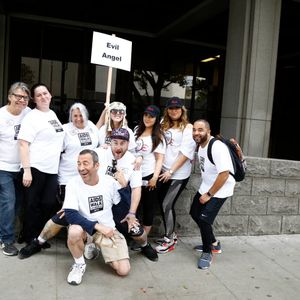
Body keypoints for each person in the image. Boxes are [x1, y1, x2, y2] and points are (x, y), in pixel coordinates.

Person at [18, 102, 99, 258]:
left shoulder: (92, 127)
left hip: (87, 178)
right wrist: (30, 166)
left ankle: (78, 240)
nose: (78, 118)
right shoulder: (65, 129)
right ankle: (40, 240)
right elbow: (51, 146)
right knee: (67, 211)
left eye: (81, 114)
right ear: (70, 117)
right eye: (74, 115)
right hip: (67, 178)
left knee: (83, 210)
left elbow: (101, 144)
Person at [63, 149, 130, 285]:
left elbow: (121, 210)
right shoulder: (72, 183)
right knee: (74, 231)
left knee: (123, 270)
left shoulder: (109, 182)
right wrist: (97, 226)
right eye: (79, 164)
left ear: (96, 165)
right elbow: (70, 214)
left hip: (107, 230)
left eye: (85, 163)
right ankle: (79, 265)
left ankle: (95, 246)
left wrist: (124, 187)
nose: (81, 168)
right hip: (85, 230)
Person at [18, 83, 65, 245]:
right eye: (39, 95)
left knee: (49, 203)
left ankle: (39, 236)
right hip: (35, 167)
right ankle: (30, 237)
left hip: (52, 169)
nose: (43, 97)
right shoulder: (32, 117)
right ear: (34, 99)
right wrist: (27, 170)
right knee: (32, 204)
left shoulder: (52, 114)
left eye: (45, 93)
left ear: (50, 95)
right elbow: (23, 144)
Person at [190, 119, 235, 269]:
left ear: (208, 131)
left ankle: (208, 252)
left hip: (221, 189)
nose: (197, 132)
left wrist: (209, 194)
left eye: (200, 129)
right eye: (194, 129)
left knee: (204, 220)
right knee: (194, 212)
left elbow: (224, 174)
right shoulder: (201, 145)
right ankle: (214, 243)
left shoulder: (217, 147)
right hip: (208, 185)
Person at [155, 97, 196, 254]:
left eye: (177, 108)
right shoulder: (162, 124)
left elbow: (186, 154)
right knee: (164, 204)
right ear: (167, 110)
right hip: (163, 171)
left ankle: (169, 240)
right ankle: (171, 233)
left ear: (182, 110)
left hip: (177, 174)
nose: (174, 111)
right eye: (171, 108)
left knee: (166, 204)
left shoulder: (188, 127)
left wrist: (171, 171)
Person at [0, 82, 31, 256]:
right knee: (9, 202)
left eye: (25, 97)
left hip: (21, 167)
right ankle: (6, 240)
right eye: (18, 96)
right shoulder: (1, 116)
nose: (21, 100)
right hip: (3, 167)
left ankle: (3, 232)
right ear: (10, 96)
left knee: (17, 204)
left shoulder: (29, 114)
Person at [133, 105, 166, 236]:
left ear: (156, 119)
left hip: (149, 176)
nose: (148, 118)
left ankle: (143, 238)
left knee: (148, 208)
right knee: (134, 207)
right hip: (134, 175)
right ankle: (133, 234)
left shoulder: (158, 136)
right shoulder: (136, 130)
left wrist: (154, 178)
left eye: (151, 116)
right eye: (146, 115)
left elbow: (159, 159)